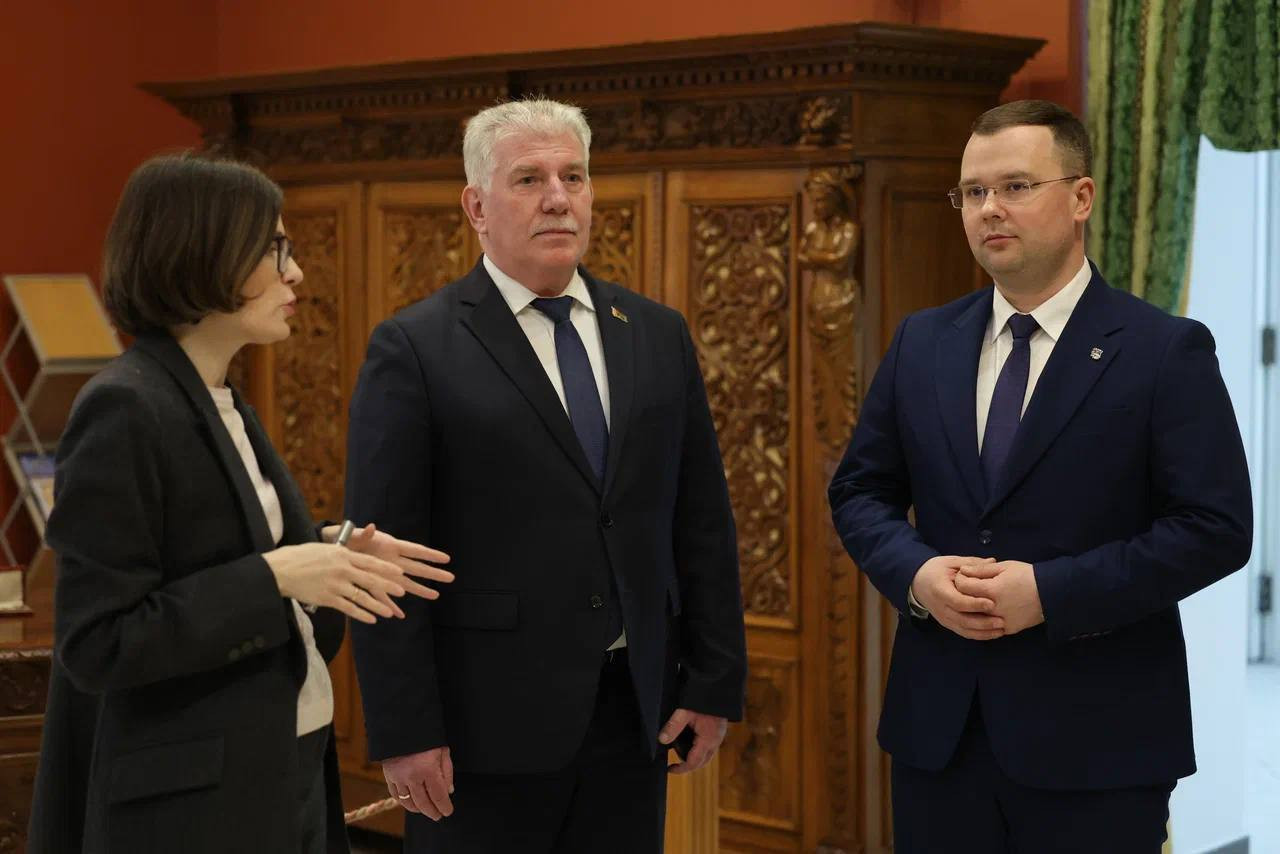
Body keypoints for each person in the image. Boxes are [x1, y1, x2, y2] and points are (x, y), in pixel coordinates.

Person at [828, 100, 1253, 853]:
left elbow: (1215, 530)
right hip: (940, 736)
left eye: (1016, 187)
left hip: (1099, 746)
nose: (990, 209)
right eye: (973, 192)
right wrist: (917, 575)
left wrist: (1051, 594)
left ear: (1081, 197)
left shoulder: (1164, 350)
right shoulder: (922, 341)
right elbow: (861, 491)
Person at [345, 97, 748, 853]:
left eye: (574, 176)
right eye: (529, 179)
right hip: (482, 731)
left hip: (635, 716)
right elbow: (384, 560)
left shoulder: (655, 333)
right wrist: (405, 731)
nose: (558, 198)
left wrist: (714, 680)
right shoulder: (416, 347)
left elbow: (701, 519)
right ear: (476, 207)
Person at [27, 154, 454, 854]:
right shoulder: (124, 407)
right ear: (204, 252)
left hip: (279, 769)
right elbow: (98, 642)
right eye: (274, 249)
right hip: (191, 812)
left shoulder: (224, 400)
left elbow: (225, 562)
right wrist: (278, 575)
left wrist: (332, 552)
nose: (297, 273)